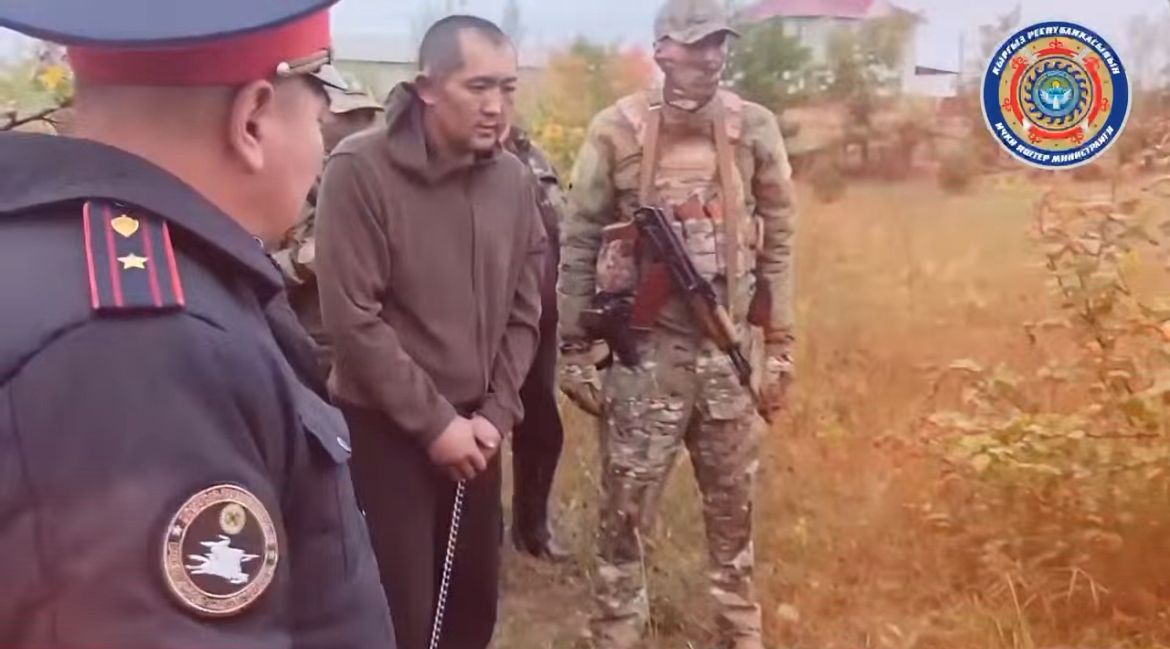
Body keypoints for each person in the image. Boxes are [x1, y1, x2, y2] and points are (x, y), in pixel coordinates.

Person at [0, 2, 396, 648]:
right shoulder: (143, 351)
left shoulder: (56, 256)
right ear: (253, 120)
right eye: (317, 110)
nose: (322, 141)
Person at [557, 0, 797, 647]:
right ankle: (616, 632)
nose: (711, 57)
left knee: (734, 515)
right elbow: (579, 240)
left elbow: (778, 241)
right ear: (662, 49)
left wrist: (780, 345)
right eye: (696, 45)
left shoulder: (755, 128)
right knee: (623, 516)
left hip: (728, 356)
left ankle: (739, 632)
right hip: (645, 361)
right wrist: (574, 348)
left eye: (719, 43)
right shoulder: (616, 130)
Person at [314, 14, 546, 649]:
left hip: (478, 434)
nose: (496, 106)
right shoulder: (360, 171)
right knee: (399, 616)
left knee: (471, 611)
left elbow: (525, 310)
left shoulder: (514, 182)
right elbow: (352, 319)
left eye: (508, 88)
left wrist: (495, 415)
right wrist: (436, 426)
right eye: (478, 87)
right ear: (428, 88)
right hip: (385, 434)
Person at [272, 77, 384, 377]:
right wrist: (311, 257)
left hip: (369, 339)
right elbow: (262, 265)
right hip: (308, 338)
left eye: (366, 114)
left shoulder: (375, 175)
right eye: (349, 114)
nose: (361, 123)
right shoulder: (290, 177)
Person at [500, 119, 570, 561]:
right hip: (487, 322)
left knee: (543, 428)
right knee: (482, 431)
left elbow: (565, 227)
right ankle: (481, 536)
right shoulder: (452, 157)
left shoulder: (534, 156)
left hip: (540, 320)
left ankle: (533, 529)